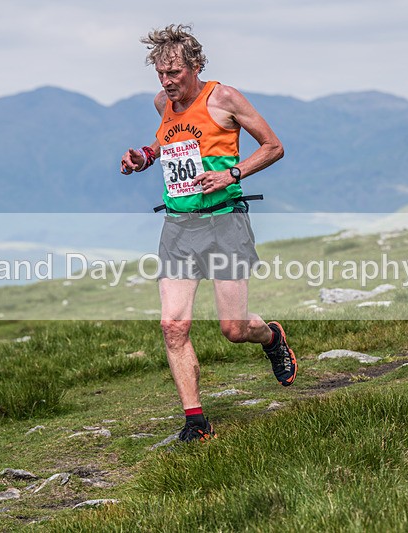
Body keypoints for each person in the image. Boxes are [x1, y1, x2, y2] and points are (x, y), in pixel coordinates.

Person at [120, 24, 296, 443]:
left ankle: (270, 336)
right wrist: (145, 157)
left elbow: (274, 146)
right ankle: (196, 421)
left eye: (175, 73)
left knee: (233, 329)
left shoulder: (224, 97)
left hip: (224, 222)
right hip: (179, 226)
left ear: (195, 66)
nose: (167, 82)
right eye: (161, 74)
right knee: (172, 326)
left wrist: (231, 173)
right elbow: (172, 142)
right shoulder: (163, 102)